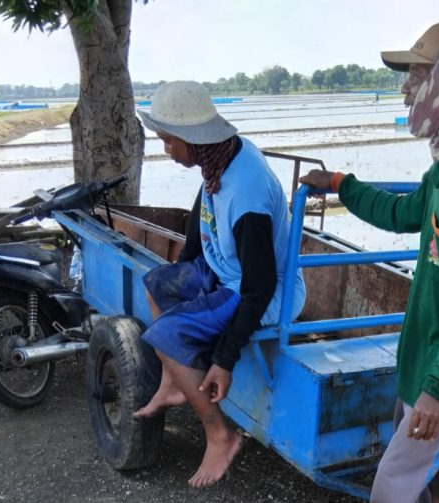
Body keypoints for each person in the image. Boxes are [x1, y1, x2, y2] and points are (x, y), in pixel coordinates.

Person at [300, 22, 439, 503]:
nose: (406, 88)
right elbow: (402, 213)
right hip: (432, 363)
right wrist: (343, 183)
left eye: (419, 74)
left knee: (392, 489)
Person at [130, 81, 307, 488]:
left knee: (166, 334)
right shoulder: (218, 158)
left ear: (194, 140)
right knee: (157, 283)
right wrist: (178, 280)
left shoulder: (246, 193)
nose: (166, 149)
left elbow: (259, 287)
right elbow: (200, 224)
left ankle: (220, 435)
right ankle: (173, 379)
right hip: (230, 271)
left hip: (266, 291)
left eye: (169, 141)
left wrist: (224, 358)